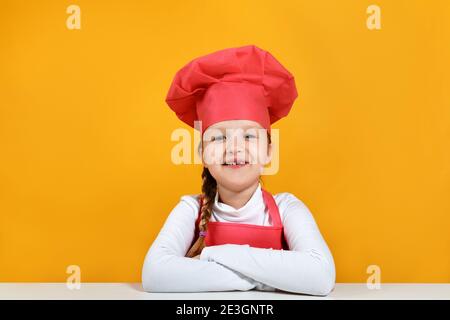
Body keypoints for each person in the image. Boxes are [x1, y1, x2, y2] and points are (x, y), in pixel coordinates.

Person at [141, 45, 335, 295]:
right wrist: (269, 279)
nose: (234, 148)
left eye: (248, 136)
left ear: (268, 151)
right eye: (218, 138)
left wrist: (210, 256)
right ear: (203, 154)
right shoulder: (190, 210)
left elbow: (320, 276)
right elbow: (155, 274)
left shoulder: (288, 208)